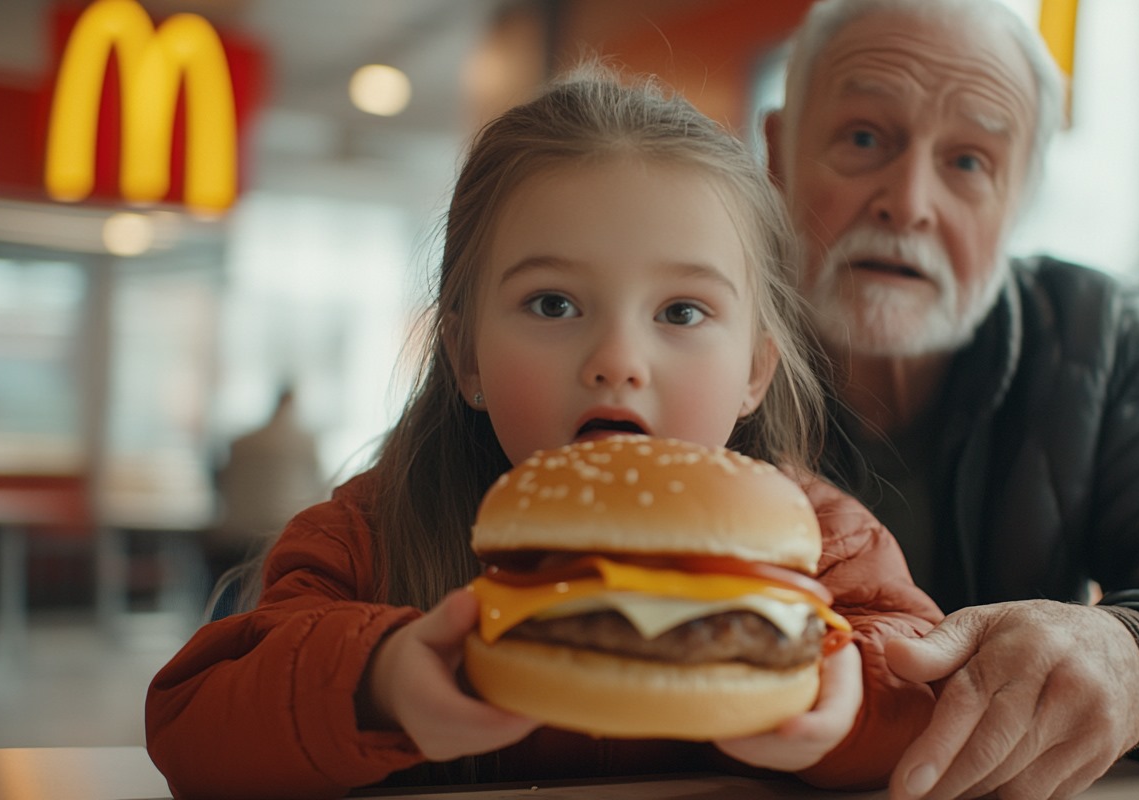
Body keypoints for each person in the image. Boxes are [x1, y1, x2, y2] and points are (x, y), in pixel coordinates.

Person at [145, 68, 943, 799]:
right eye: (553, 304)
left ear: (754, 373)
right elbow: (194, 725)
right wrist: (379, 681)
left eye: (682, 312)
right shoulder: (369, 534)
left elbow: (929, 691)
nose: (618, 362)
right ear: (465, 357)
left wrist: (850, 703)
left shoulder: (825, 540)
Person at [761, 1, 1139, 798]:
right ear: (777, 152)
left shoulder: (1095, 341)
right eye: (865, 138)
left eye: (969, 162)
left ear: (1021, 198)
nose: (908, 202)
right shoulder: (675, 324)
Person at [204, 385, 324, 585]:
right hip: (277, 536)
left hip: (232, 539)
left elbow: (221, 485)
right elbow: (319, 491)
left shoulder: (241, 442)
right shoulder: (306, 442)